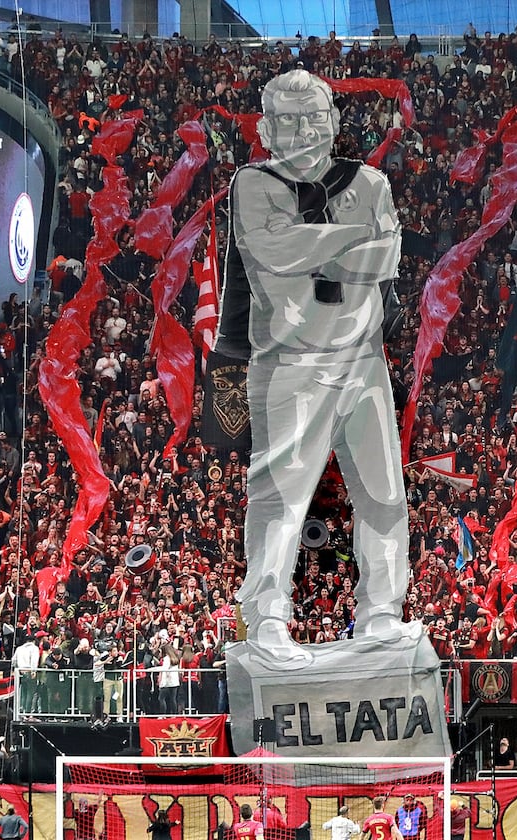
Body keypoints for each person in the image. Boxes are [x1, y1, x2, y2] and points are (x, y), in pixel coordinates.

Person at [213, 69, 407, 667]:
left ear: (334, 122)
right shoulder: (252, 182)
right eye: (288, 120)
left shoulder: (370, 181)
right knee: (278, 500)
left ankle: (381, 617)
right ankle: (267, 622)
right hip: (290, 364)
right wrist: (351, 240)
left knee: (382, 494)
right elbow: (274, 252)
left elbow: (389, 255)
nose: (302, 131)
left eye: (313, 118)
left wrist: (314, 245)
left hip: (363, 360)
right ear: (266, 129)